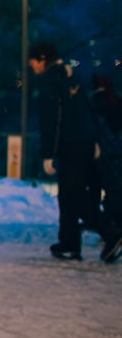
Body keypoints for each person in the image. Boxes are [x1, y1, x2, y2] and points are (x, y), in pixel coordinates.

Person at [28, 42, 121, 263]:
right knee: (71, 194)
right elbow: (87, 111)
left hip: (69, 148)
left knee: (72, 196)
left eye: (33, 61)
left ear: (42, 59)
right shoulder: (71, 76)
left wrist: (48, 153)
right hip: (84, 145)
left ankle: (109, 231)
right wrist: (95, 141)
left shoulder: (51, 81)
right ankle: (69, 241)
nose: (31, 66)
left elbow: (52, 119)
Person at [89, 74, 122, 263]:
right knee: (116, 190)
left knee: (108, 190)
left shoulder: (96, 103)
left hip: (105, 152)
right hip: (117, 149)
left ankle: (111, 229)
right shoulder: (115, 100)